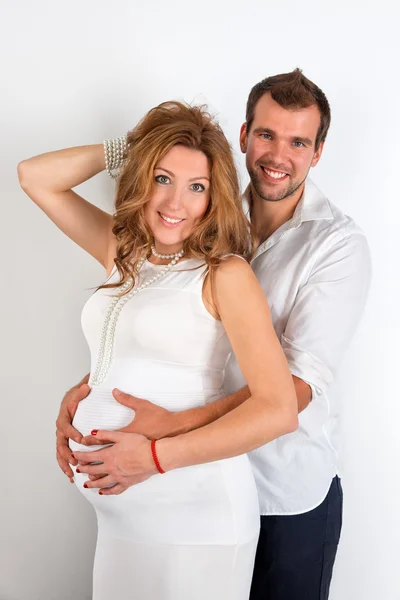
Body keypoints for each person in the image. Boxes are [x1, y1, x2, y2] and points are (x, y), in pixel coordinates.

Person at [55, 69, 372, 599]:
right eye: (268, 135)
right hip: (176, 484)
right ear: (245, 136)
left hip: (282, 489)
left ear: (317, 154)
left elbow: (292, 390)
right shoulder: (206, 218)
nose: (279, 154)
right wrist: (97, 384)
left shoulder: (337, 246)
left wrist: (172, 431)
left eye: (298, 142)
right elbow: (179, 332)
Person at [18, 101, 298, 600]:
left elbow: (278, 409)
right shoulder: (122, 250)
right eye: (162, 178)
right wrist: (136, 148)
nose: (175, 203)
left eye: (197, 187)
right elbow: (35, 176)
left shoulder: (225, 274)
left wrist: (154, 457)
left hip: (196, 519)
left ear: (214, 200)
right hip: (124, 522)